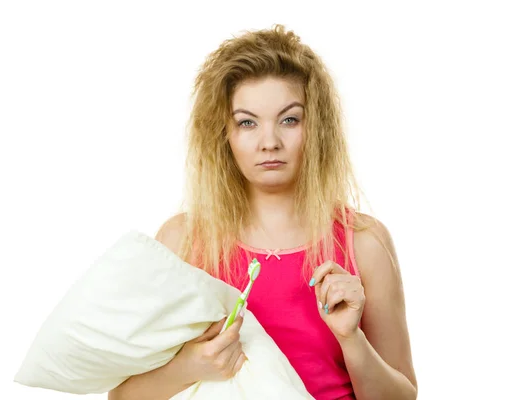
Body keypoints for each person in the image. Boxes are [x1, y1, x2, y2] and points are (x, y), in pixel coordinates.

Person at [109, 24, 417, 400]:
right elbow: (122, 396)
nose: (269, 142)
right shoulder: (182, 241)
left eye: (290, 119)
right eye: (247, 122)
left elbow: (402, 397)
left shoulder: (364, 243)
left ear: (315, 127)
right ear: (224, 134)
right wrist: (191, 366)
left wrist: (351, 339)